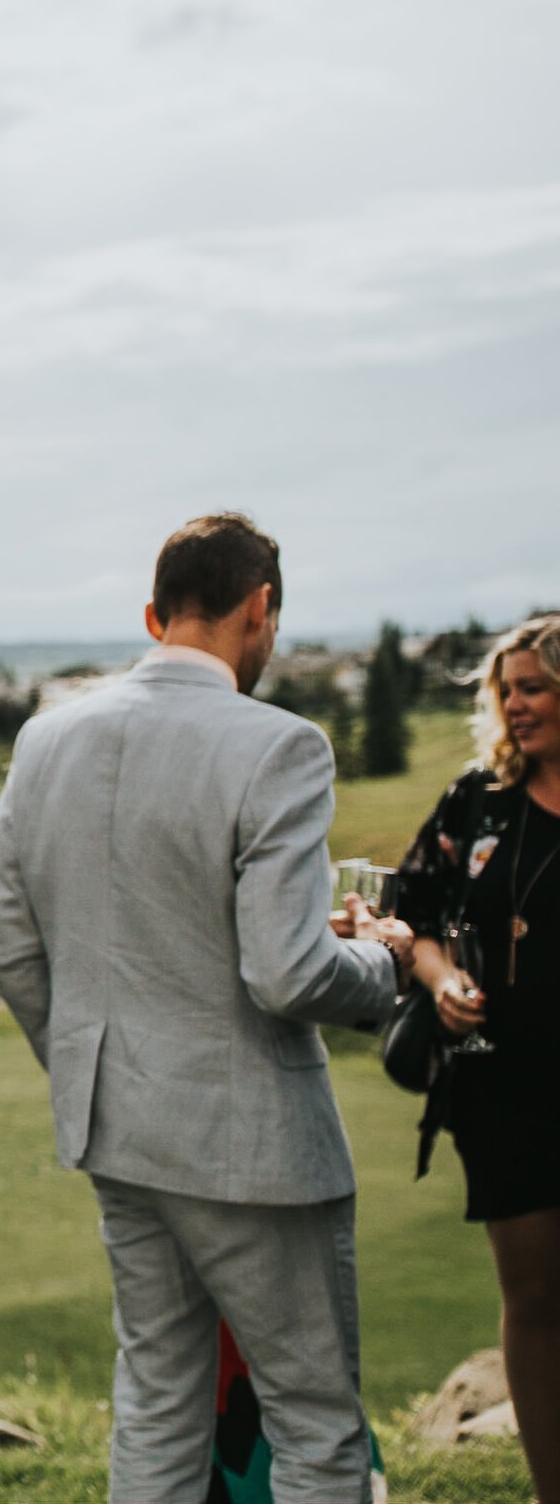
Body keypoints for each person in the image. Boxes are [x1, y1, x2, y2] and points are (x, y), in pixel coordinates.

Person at [0, 512, 411, 1504]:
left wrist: (99, 1072)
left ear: (154, 611)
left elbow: (14, 956)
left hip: (114, 1128)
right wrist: (383, 961)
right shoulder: (281, 746)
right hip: (251, 1141)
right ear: (259, 606)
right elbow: (287, 970)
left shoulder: (44, 736)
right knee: (312, 1419)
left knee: (157, 1403)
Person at [397, 613, 560, 1502]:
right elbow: (415, 910)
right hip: (504, 1086)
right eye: (507, 689)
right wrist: (440, 977)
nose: (514, 704)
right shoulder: (479, 800)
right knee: (533, 1298)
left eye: (532, 686)